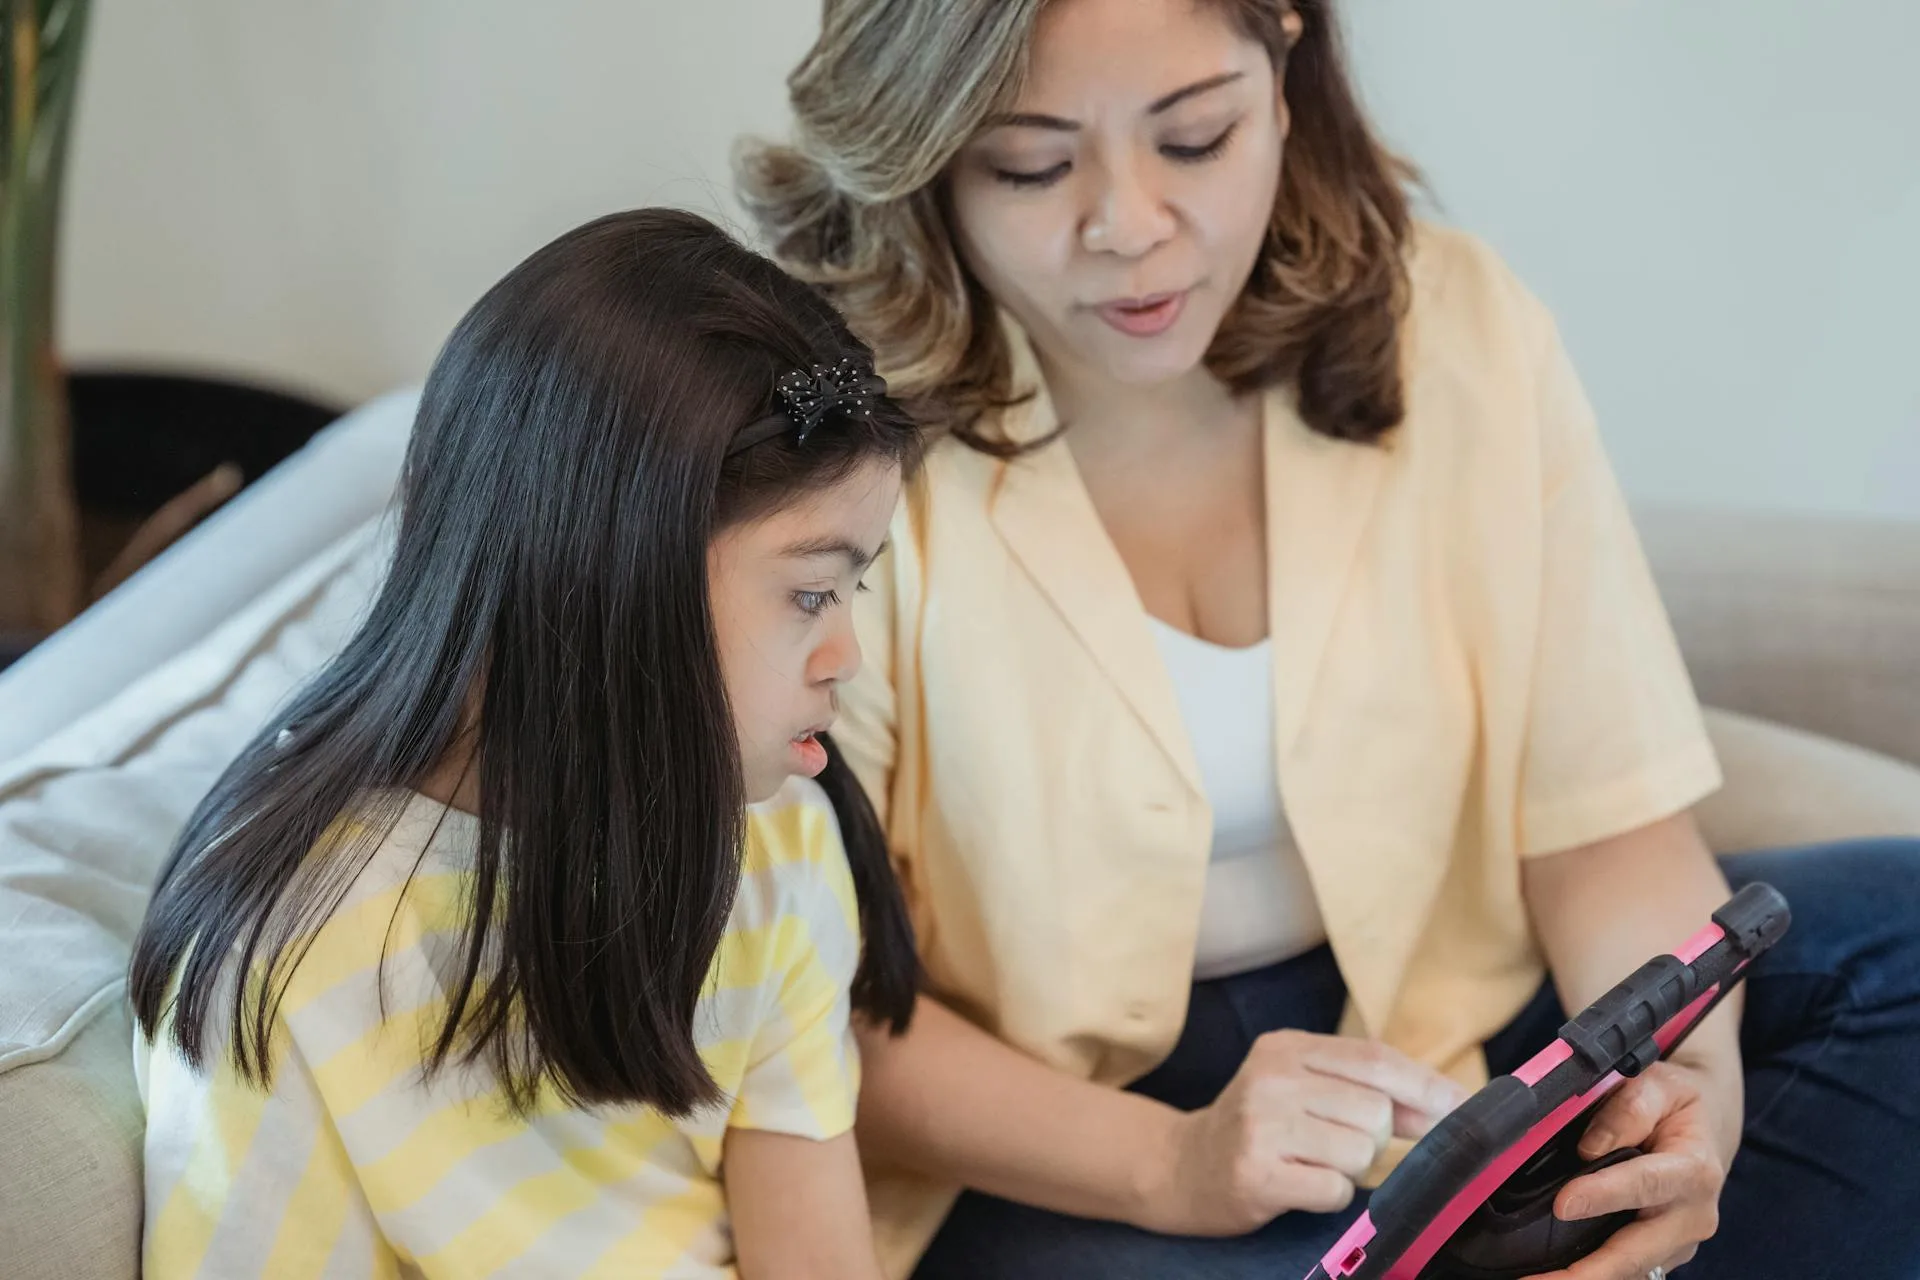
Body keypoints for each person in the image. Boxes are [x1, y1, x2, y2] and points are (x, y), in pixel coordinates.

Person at [737, 1, 1920, 1276]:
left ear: (1287, 66)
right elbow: (818, 1008)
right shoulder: (830, 445)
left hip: (1448, 1045)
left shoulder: (1456, 322)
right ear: (922, 151)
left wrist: (1685, 1095)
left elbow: (1603, 825)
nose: (1129, 225)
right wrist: (1174, 1164)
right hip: (1062, 1144)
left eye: (1196, 138)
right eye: (1029, 164)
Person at [129, 208, 923, 1279]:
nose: (846, 655)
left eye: (852, 586)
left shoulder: (773, 837)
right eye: (811, 591)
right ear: (602, 573)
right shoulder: (285, 968)